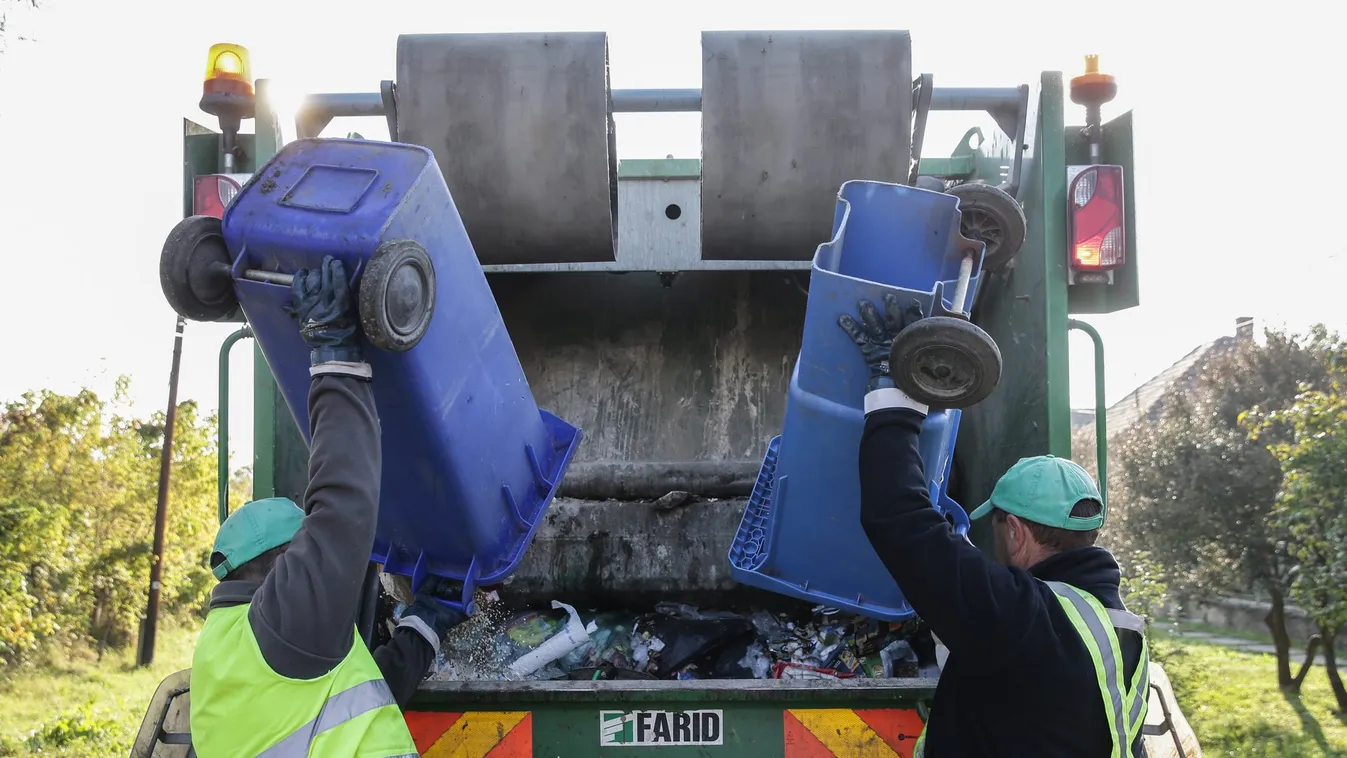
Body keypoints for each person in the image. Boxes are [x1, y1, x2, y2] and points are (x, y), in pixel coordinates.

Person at [839, 294, 1149, 758]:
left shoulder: (1022, 615)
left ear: (1016, 532)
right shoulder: (1125, 631)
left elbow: (899, 518)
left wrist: (893, 391)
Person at [190, 256, 468, 758]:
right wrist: (333, 353)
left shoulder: (234, 645)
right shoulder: (285, 616)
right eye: (305, 545)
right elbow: (342, 500)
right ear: (278, 560)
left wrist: (425, 623)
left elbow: (349, 701)